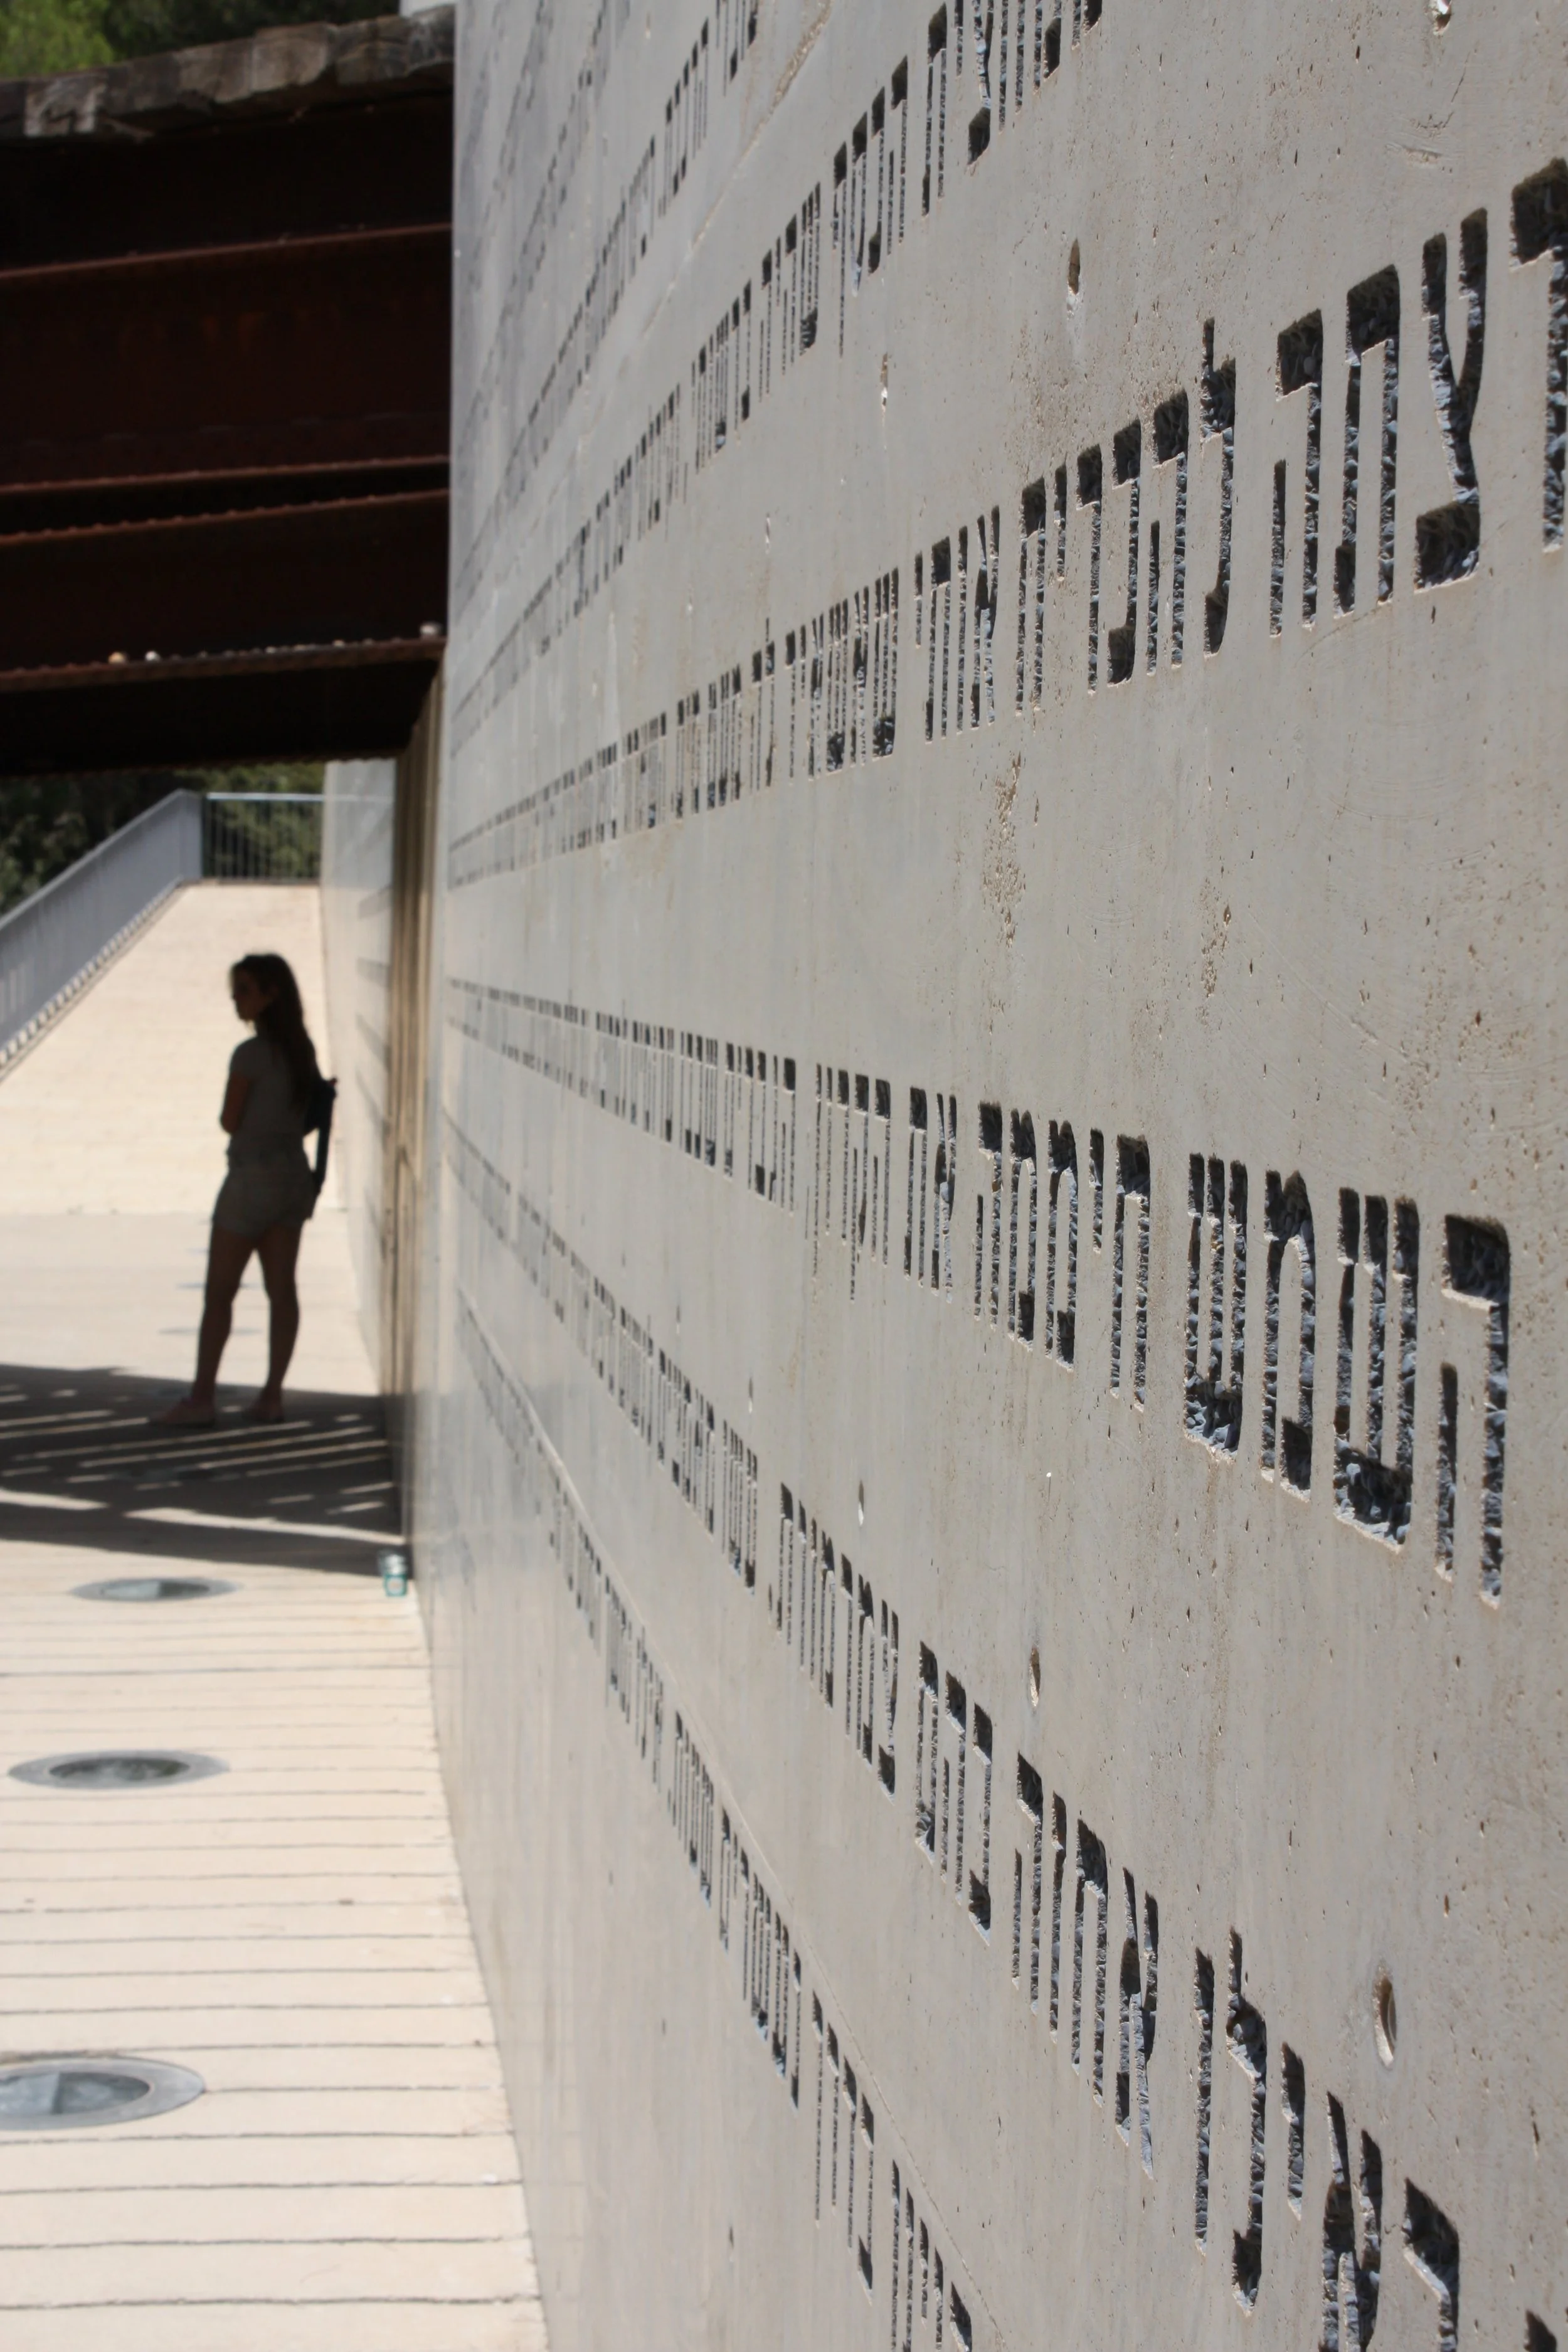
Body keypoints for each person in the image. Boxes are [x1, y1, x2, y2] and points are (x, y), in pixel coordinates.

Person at [157, 953, 322, 1428]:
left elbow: (230, 1120)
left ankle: (202, 1398)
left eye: (245, 989)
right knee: (282, 1290)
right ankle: (272, 1396)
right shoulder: (302, 1051)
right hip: (293, 1176)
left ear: (271, 995)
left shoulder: (249, 1056)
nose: (236, 998)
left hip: (251, 1180)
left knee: (220, 1293)